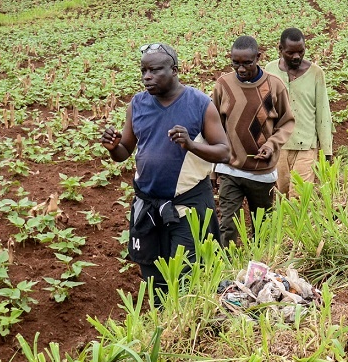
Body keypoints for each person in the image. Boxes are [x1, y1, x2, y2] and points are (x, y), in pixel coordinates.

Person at [101, 42, 230, 295]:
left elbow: (224, 152)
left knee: (188, 277)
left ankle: (188, 328)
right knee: (153, 277)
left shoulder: (200, 103)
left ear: (174, 69)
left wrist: (191, 144)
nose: (147, 77)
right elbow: (124, 152)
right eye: (143, 71)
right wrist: (113, 147)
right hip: (148, 207)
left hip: (188, 206)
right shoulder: (137, 105)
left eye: (155, 70)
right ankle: (163, 325)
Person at [211, 35, 295, 246]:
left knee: (263, 227)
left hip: (262, 172)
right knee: (227, 225)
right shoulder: (223, 85)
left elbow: (286, 123)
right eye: (235, 63)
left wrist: (270, 145)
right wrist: (213, 168)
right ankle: (226, 271)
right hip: (230, 169)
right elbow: (215, 128)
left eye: (247, 63)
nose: (241, 69)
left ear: (258, 57)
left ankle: (259, 271)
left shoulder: (274, 86)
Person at [264, 27, 333, 198]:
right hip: (279, 145)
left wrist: (327, 150)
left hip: (306, 145)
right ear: (280, 49)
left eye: (301, 52)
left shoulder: (316, 73)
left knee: (299, 197)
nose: (296, 57)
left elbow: (323, 114)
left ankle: (299, 225)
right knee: (280, 195)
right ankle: (281, 225)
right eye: (290, 53)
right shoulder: (269, 70)